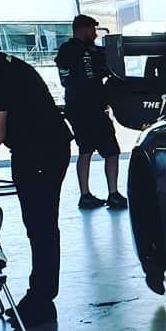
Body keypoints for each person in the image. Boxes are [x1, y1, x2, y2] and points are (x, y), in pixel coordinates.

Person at [0, 51, 73, 327]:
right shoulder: (2, 64)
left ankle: (41, 301)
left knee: (41, 226)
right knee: (41, 226)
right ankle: (40, 297)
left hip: (39, 151)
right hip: (45, 146)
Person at [56, 15, 127, 210]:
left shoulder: (67, 51)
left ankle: (86, 194)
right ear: (83, 29)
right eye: (93, 30)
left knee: (86, 150)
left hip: (78, 108)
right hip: (90, 108)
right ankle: (112, 194)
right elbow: (95, 74)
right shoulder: (82, 52)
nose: (95, 35)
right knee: (111, 151)